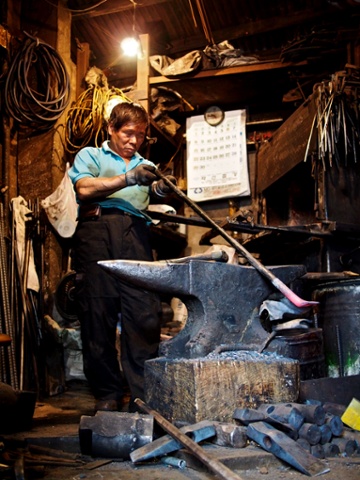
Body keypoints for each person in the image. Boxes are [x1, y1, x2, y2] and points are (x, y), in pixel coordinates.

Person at [68, 101, 176, 412]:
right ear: (111, 130)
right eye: (128, 134)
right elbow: (85, 190)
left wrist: (160, 188)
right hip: (97, 230)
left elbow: (149, 198)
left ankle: (142, 395)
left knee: (143, 313)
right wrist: (127, 178)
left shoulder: (145, 163)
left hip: (136, 235)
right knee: (97, 313)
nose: (134, 141)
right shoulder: (91, 155)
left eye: (140, 136)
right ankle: (108, 394)